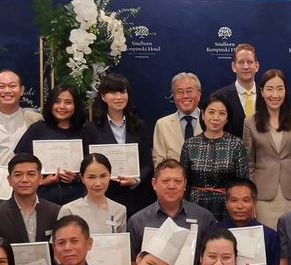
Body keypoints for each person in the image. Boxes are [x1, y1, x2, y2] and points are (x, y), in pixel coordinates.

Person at [245, 69, 291, 228]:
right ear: (261, 92)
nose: (275, 94)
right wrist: (251, 197)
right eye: (270, 89)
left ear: (285, 91)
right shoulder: (250, 122)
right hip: (263, 196)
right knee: (267, 239)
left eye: (280, 89)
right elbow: (249, 164)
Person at [84, 73, 154, 217]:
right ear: (103, 97)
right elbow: (87, 163)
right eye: (112, 92)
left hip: (136, 198)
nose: (118, 97)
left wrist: (136, 180)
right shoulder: (91, 128)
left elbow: (147, 162)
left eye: (122, 92)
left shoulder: (139, 126)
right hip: (105, 196)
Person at [14, 84, 90, 205]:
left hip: (77, 198)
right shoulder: (37, 129)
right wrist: (41, 181)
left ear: (76, 105)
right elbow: (19, 163)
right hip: (42, 197)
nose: (62, 106)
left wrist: (77, 177)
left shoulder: (86, 131)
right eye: (57, 102)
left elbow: (96, 166)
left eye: (68, 102)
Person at [127, 159, 215, 263]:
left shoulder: (203, 218)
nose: (172, 186)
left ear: (185, 184)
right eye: (165, 181)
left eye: (178, 181)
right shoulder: (137, 221)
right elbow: (131, 262)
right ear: (154, 183)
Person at [181, 94, 248, 221]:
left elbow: (242, 183)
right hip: (195, 205)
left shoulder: (236, 144)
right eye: (211, 112)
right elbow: (183, 182)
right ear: (203, 115)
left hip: (227, 207)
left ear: (227, 119)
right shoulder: (190, 144)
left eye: (222, 113)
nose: (216, 118)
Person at [0, 153, 62, 244]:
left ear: (40, 179)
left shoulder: (56, 212)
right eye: (18, 175)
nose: (24, 180)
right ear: (9, 180)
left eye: (31, 174)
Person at [211, 180, 280, 265]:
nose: (240, 206)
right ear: (226, 203)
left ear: (254, 203)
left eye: (246, 200)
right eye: (234, 200)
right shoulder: (213, 232)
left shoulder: (269, 235)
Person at [60, 153, 128, 235]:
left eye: (103, 176)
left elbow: (121, 242)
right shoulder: (69, 210)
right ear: (82, 178)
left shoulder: (120, 210)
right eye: (91, 177)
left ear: (110, 175)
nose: (98, 183)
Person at [213, 43, 263, 139]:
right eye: (241, 62)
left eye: (250, 62)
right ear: (233, 66)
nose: (246, 66)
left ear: (257, 66)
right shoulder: (219, 97)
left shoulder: (266, 96)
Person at [152, 72, 203, 166]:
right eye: (180, 92)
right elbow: (158, 161)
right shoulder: (162, 124)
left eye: (189, 91)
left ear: (199, 94)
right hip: (173, 175)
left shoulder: (210, 121)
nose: (185, 96)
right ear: (174, 96)